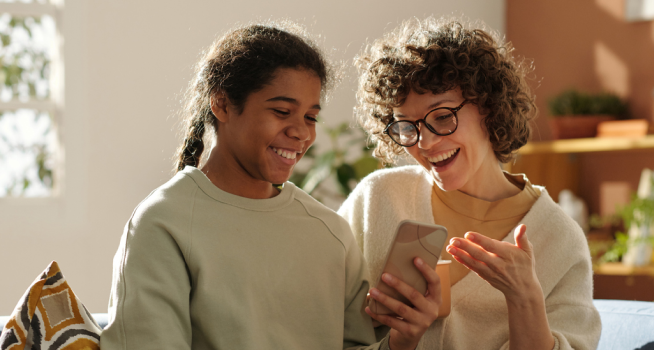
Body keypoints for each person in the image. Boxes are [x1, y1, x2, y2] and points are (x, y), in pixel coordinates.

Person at [100, 22, 440, 350]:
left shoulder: (331, 234)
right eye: (281, 111)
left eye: (310, 117)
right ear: (222, 104)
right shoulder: (162, 224)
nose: (301, 133)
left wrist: (400, 343)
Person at [339, 18, 602, 350]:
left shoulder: (558, 238)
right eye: (407, 126)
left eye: (443, 116)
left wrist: (525, 299)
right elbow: (321, 329)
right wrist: (399, 343)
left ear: (488, 107)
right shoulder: (377, 200)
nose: (425, 143)